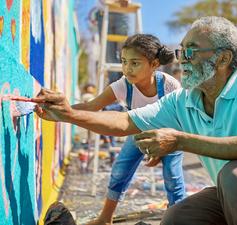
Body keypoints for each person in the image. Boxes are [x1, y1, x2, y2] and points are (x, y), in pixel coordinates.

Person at [34, 16, 237, 225]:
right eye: (180, 51)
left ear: (223, 58)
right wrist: (68, 115)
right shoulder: (184, 99)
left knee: (235, 175)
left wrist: (179, 141)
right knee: (178, 217)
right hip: (235, 193)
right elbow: (126, 122)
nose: (181, 60)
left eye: (190, 52)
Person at [70, 34, 186, 224]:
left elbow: (180, 121)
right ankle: (105, 218)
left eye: (134, 63)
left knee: (173, 176)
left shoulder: (170, 85)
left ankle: (179, 219)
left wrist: (159, 151)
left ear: (154, 64)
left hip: (171, 134)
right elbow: (92, 106)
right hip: (139, 132)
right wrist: (63, 110)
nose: (127, 69)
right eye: (124, 62)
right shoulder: (124, 85)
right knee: (120, 169)